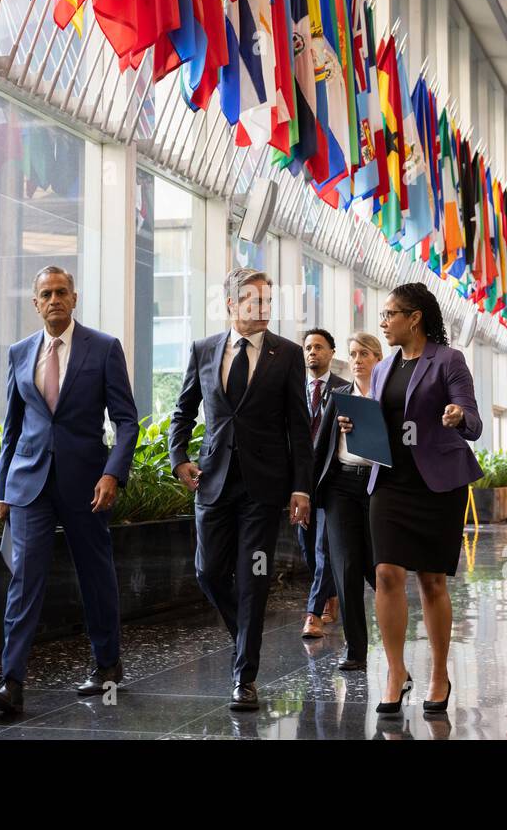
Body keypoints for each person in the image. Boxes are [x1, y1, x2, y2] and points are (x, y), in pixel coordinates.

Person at [0, 267, 138, 714]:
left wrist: (112, 474)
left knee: (95, 574)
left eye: (62, 292)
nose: (54, 299)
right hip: (29, 485)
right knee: (23, 581)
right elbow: (11, 430)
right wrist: (1, 491)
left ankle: (107, 664)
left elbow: (126, 422)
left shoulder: (104, 348)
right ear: (35, 303)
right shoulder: (18, 353)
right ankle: (10, 681)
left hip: (88, 483)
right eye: (46, 294)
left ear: (75, 298)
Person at [169, 267, 313, 712]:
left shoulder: (286, 354)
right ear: (231, 304)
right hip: (212, 480)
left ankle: (244, 677)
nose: (263, 308)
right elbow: (183, 411)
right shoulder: (204, 349)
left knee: (254, 578)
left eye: (268, 301)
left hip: (264, 486)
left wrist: (301, 488)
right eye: (253, 301)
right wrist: (179, 458)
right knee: (208, 572)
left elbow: (299, 427)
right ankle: (245, 637)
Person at [337, 283, 482, 717]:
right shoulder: (382, 370)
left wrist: (457, 417)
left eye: (389, 315)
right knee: (385, 574)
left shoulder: (448, 360)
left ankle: (439, 673)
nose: (382, 323)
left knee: (432, 581)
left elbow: (472, 421)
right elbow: (380, 422)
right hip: (391, 482)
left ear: (414, 317)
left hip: (437, 484)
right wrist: (354, 423)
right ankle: (396, 671)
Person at [312, 331, 382, 671]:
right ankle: (356, 650)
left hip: (377, 487)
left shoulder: (389, 398)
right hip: (341, 486)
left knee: (379, 571)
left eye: (365, 354)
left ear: (377, 359)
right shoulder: (338, 396)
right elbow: (320, 447)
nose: (357, 360)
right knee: (346, 568)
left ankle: (395, 642)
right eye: (353, 354)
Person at [298, 328, 346, 639]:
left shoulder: (345, 389)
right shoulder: (292, 388)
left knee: (323, 547)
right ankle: (330, 595)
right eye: (308, 348)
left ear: (331, 353)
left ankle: (313, 614)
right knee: (306, 546)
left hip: (331, 480)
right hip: (300, 481)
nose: (312, 352)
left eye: (318, 347)